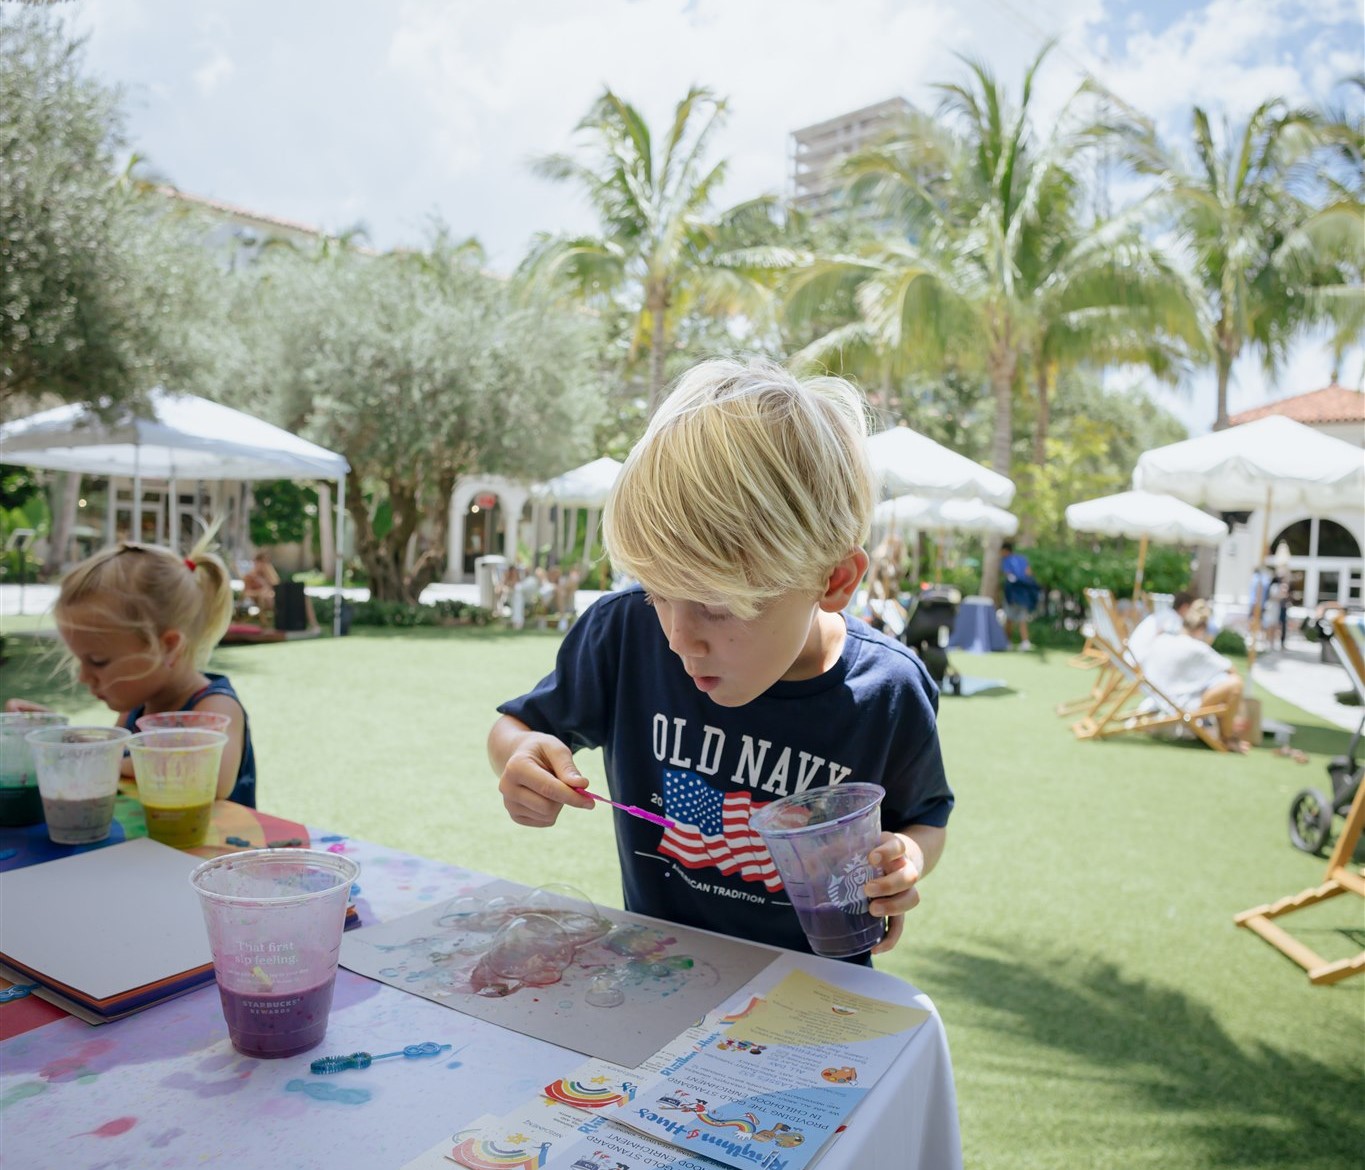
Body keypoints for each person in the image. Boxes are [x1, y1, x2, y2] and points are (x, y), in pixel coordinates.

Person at [488, 357, 953, 961]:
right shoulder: (626, 632)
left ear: (834, 578)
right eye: (658, 591)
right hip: (661, 974)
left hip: (818, 990)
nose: (680, 638)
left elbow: (925, 817)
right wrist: (519, 756)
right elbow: (518, 727)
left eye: (717, 604)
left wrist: (905, 860)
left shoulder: (887, 691)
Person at [4, 537, 258, 805]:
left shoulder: (216, 707)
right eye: (81, 662)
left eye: (98, 661)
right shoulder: (136, 708)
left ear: (168, 647)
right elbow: (110, 756)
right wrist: (59, 736)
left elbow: (211, 777)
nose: (83, 677)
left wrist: (109, 760)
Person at [1140, 599, 1248, 752]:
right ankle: (1228, 737)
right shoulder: (1197, 648)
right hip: (1178, 704)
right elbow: (1232, 670)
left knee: (1221, 683)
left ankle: (1223, 734)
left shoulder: (1163, 640)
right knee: (1235, 684)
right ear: (1202, 628)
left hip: (1156, 698)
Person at [1126, 591, 1195, 665]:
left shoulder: (1165, 614)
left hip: (1131, 653)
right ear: (1184, 607)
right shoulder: (1174, 620)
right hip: (1139, 659)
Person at [1000, 541, 1040, 651]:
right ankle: (1025, 642)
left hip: (1013, 594)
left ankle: (1007, 642)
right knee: (1022, 619)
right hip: (1024, 595)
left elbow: (1007, 574)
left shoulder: (1006, 560)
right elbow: (1029, 573)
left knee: (1009, 618)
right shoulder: (1022, 559)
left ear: (1005, 551)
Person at [242, 549, 281, 623]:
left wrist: (269, 573)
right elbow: (246, 593)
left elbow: (278, 587)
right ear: (256, 562)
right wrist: (259, 592)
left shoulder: (269, 576)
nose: (264, 565)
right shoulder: (249, 576)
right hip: (261, 599)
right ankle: (265, 622)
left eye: (266, 563)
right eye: (262, 562)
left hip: (272, 597)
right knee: (264, 597)